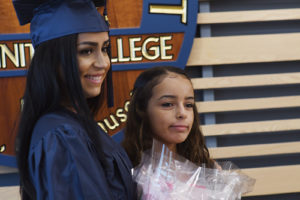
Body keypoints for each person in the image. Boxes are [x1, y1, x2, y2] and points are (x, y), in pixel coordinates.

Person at [13, 0, 135, 199]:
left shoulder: (72, 123)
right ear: (53, 60)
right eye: (86, 51)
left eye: (104, 49)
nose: (103, 63)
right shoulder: (62, 136)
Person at [122, 66, 215, 168]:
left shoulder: (206, 169)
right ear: (142, 109)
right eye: (167, 104)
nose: (182, 113)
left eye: (188, 105)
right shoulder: (123, 169)